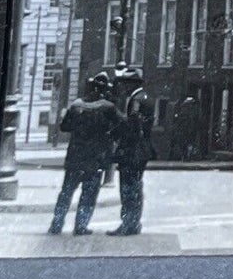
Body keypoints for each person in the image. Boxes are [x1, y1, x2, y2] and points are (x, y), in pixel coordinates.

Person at [48, 72, 123, 235]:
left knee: (66, 192)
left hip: (75, 156)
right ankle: (80, 226)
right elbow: (120, 127)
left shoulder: (77, 105)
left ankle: (56, 224)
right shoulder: (108, 107)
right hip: (95, 158)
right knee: (88, 194)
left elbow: (64, 127)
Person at [109, 69, 154, 237]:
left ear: (132, 84)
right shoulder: (145, 97)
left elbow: (133, 125)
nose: (123, 87)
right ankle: (135, 222)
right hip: (142, 150)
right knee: (136, 186)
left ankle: (127, 224)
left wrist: (117, 127)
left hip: (132, 150)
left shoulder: (135, 100)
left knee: (128, 188)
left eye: (125, 83)